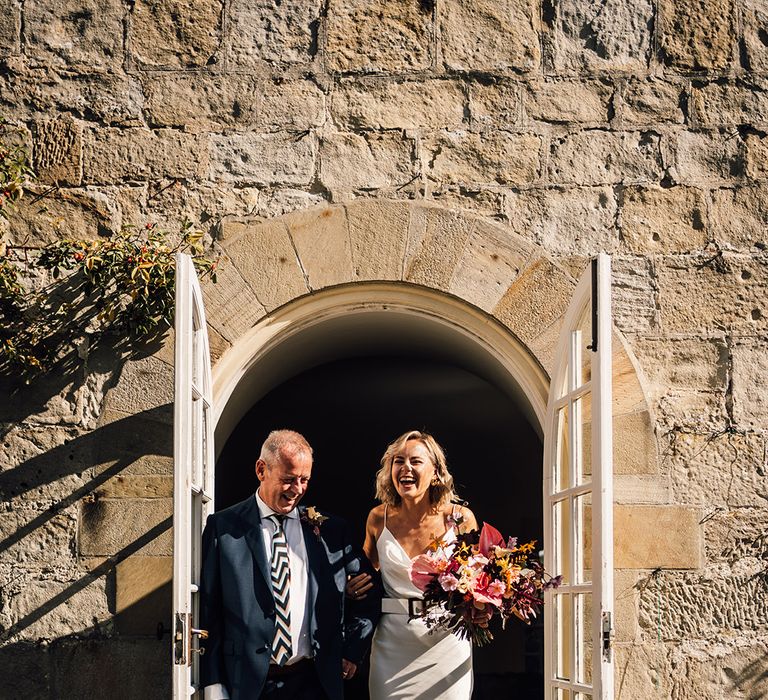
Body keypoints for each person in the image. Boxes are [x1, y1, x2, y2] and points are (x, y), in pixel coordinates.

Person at [199, 429, 381, 700]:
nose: (296, 490)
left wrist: (351, 650)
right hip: (247, 683)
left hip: (314, 682)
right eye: (288, 479)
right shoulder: (223, 527)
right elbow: (208, 610)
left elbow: (370, 594)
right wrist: (213, 684)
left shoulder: (331, 530)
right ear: (261, 470)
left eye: (304, 480)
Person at [346, 430, 480, 700]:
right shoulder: (377, 519)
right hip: (392, 645)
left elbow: (479, 581)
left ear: (436, 471)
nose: (405, 468)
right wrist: (350, 588)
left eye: (415, 461)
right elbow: (364, 576)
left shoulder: (460, 518)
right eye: (398, 461)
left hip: (446, 644)